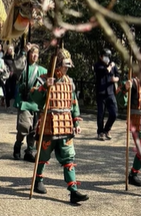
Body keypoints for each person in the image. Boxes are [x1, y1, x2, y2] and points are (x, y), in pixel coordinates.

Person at [30, 47, 89, 204]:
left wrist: (76, 120)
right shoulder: (44, 79)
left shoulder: (69, 82)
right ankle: (38, 180)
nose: (66, 69)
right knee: (42, 156)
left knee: (69, 158)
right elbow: (34, 96)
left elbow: (73, 102)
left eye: (68, 66)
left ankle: (73, 191)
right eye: (64, 66)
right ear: (57, 65)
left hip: (65, 126)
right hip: (48, 125)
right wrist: (44, 88)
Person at [13, 43, 47, 162]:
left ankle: (30, 151)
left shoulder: (42, 70)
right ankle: (18, 145)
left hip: (36, 102)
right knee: (24, 126)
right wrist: (23, 52)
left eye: (37, 54)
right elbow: (16, 67)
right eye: (33, 53)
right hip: (25, 100)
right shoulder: (23, 67)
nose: (35, 56)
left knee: (34, 128)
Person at [116, 48, 141, 187]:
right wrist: (125, 90)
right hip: (137, 122)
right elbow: (121, 102)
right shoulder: (133, 81)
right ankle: (133, 174)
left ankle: (133, 173)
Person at [94, 48, 120, 140]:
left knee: (114, 114)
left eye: (108, 56)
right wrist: (110, 67)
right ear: (101, 57)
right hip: (100, 93)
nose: (107, 58)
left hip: (110, 93)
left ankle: (107, 129)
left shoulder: (113, 65)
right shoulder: (97, 65)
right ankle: (100, 132)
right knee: (101, 114)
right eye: (105, 56)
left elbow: (118, 76)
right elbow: (105, 71)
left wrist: (115, 79)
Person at [3, 45, 18, 109]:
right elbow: (3, 65)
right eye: (9, 49)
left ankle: (6, 99)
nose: (10, 51)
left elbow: (17, 66)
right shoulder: (4, 57)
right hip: (7, 75)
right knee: (7, 89)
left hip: (13, 76)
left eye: (11, 49)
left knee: (13, 90)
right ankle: (7, 104)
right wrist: (7, 71)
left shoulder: (15, 57)